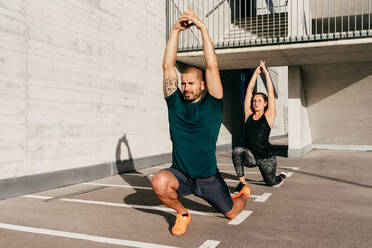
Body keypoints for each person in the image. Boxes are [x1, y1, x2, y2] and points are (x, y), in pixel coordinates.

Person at [151, 7, 251, 236]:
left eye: (191, 84)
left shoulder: (212, 105)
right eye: (183, 83)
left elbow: (212, 65)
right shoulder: (175, 103)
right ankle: (183, 214)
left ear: (202, 85)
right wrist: (176, 30)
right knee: (158, 182)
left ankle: (243, 192)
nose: (185, 88)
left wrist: (203, 28)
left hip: (208, 179)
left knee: (233, 212)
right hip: (181, 175)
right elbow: (167, 67)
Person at [232, 61, 287, 193]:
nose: (256, 103)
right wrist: (256, 73)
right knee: (237, 151)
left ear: (265, 103)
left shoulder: (269, 116)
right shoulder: (248, 115)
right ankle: (242, 184)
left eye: (259, 101)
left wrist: (266, 73)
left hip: (266, 158)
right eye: (254, 101)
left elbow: (270, 91)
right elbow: (249, 91)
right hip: (252, 157)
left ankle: (281, 177)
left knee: (271, 182)